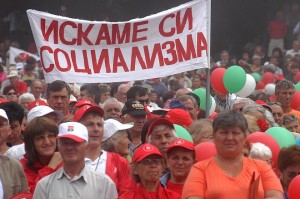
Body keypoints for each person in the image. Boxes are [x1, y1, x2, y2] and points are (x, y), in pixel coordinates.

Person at [182, 110, 283, 199]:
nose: (230, 138)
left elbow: (276, 196)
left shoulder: (261, 167)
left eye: (235, 133)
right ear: (214, 137)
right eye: (224, 133)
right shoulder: (200, 170)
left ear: (244, 138)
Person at [33, 122, 118, 199]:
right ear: (59, 147)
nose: (69, 147)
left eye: (75, 143)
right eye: (65, 143)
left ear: (87, 148)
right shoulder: (44, 185)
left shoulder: (105, 184)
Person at [74, 104, 133, 196]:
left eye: (99, 125)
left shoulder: (120, 162)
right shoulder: (66, 160)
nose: (96, 129)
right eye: (90, 124)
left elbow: (128, 193)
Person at [20, 117, 63, 193]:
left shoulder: (66, 161)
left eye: (50, 136)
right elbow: (35, 193)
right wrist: (50, 167)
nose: (47, 141)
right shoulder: (22, 166)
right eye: (40, 138)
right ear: (31, 143)